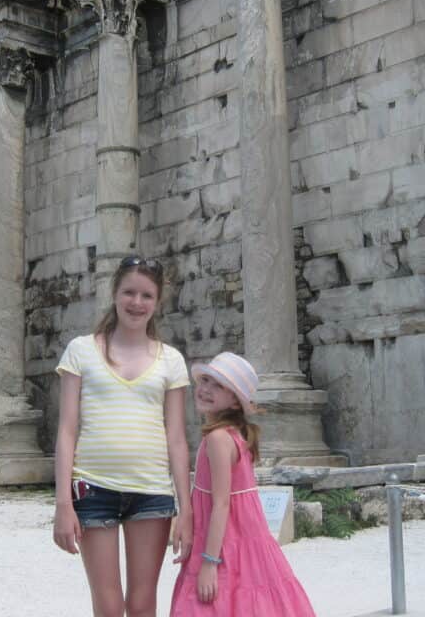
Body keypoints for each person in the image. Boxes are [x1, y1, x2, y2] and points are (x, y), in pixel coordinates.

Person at [52, 255, 193, 617]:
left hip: (152, 493)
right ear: (114, 293)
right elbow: (67, 430)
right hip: (93, 488)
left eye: (146, 295)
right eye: (129, 292)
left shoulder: (171, 360)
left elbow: (176, 437)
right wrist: (63, 505)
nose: (136, 302)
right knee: (109, 605)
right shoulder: (81, 351)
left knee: (144, 604)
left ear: (157, 302)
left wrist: (186, 508)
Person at [170, 352, 317, 617]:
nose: (205, 389)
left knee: (209, 603)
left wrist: (209, 563)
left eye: (219, 386)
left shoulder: (217, 439)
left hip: (223, 544)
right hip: (242, 541)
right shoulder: (235, 435)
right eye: (205, 380)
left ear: (236, 402)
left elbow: (222, 504)